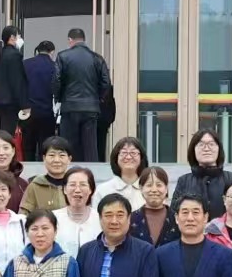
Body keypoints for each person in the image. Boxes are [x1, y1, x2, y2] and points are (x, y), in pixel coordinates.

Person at [56, 27, 111, 161]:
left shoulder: (63, 56)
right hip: (91, 108)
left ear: (70, 40)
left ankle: (69, 171)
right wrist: (98, 98)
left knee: (68, 145)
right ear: (84, 40)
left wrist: (59, 98)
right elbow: (106, 83)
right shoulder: (97, 58)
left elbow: (56, 80)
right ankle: (91, 172)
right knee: (90, 146)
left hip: (69, 106)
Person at [171, 128, 232, 219]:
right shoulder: (184, 181)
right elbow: (174, 213)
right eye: (201, 144)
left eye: (211, 144)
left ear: (219, 149)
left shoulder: (231, 178)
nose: (206, 149)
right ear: (193, 150)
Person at [0, 24, 30, 136]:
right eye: (18, 36)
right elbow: (17, 82)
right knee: (7, 135)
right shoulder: (14, 55)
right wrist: (25, 105)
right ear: (12, 37)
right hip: (9, 103)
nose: (20, 39)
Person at [22, 40, 59, 160]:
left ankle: (28, 169)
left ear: (38, 51)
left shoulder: (25, 64)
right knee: (46, 147)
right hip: (47, 113)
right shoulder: (55, 66)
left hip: (28, 112)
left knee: (28, 147)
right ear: (52, 52)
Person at [53, 166, 100, 255]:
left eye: (83, 185)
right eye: (72, 185)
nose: (77, 190)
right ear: (64, 189)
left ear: (91, 190)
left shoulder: (100, 218)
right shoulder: (53, 218)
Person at [20, 136, 73, 215]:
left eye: (62, 155)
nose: (56, 160)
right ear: (44, 158)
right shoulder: (35, 186)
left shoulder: (75, 185)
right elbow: (23, 216)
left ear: (69, 159)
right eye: (52, 155)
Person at [94, 137, 149, 212]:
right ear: (116, 157)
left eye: (133, 153)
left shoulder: (150, 189)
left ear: (141, 158)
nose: (128, 157)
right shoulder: (102, 190)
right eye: (124, 153)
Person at [130, 166, 178, 249]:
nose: (154, 190)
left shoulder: (178, 219)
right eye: (149, 185)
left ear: (166, 188)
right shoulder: (130, 218)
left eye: (159, 185)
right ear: (141, 188)